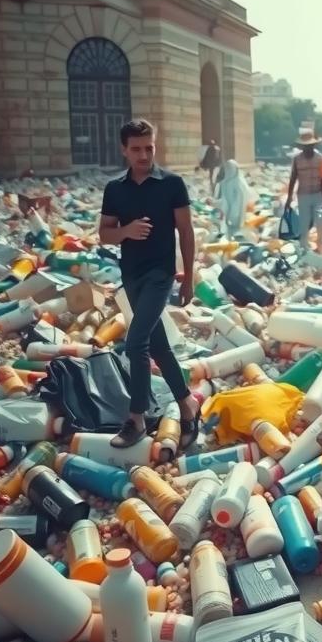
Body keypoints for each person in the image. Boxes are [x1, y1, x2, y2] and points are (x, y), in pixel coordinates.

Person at [99, 119, 200, 449]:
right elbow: (105, 233)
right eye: (137, 149)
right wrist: (125, 231)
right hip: (131, 275)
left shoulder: (172, 184)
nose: (144, 155)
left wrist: (189, 278)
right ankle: (187, 404)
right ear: (124, 150)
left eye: (149, 148)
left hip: (161, 274)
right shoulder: (115, 189)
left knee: (135, 343)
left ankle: (136, 419)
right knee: (157, 346)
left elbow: (185, 231)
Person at [285, 125, 322, 254]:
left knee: (320, 222)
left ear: (314, 145)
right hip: (303, 196)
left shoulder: (320, 158)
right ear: (302, 146)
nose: (308, 148)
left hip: (318, 195)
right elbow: (293, 177)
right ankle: (304, 249)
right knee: (304, 223)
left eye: (311, 145)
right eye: (305, 146)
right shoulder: (297, 159)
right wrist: (289, 197)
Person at [214, 159, 249, 237]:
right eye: (227, 168)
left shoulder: (239, 183)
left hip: (237, 214)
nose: (229, 170)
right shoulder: (224, 183)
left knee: (236, 232)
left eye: (231, 168)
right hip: (227, 215)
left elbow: (240, 201)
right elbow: (224, 199)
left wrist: (233, 213)